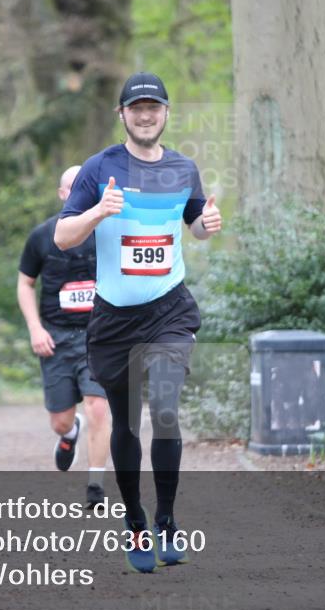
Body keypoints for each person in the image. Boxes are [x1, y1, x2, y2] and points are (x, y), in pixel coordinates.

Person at [54, 72, 222, 572]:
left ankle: (168, 520)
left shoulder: (183, 167)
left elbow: (194, 222)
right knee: (126, 421)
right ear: (121, 115)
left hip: (169, 308)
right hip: (115, 319)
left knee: (166, 409)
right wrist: (98, 213)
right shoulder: (98, 168)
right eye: (136, 108)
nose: (145, 115)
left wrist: (205, 227)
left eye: (154, 107)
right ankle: (136, 523)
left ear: (166, 113)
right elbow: (63, 235)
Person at [18, 166, 112, 507]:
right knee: (60, 421)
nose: (78, 194)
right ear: (61, 194)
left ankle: (96, 487)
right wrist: (35, 328)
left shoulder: (108, 233)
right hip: (56, 337)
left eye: (84, 188)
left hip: (99, 336)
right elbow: (25, 283)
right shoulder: (42, 236)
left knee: (99, 407)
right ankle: (70, 433)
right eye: (72, 189)